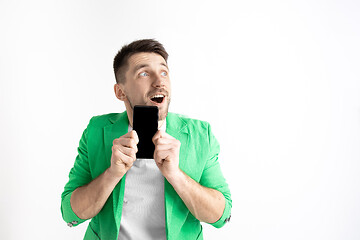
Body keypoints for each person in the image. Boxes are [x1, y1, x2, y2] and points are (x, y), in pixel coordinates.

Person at [61, 39, 232, 240]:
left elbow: (222, 215)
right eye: (144, 73)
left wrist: (175, 174)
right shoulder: (96, 131)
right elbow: (70, 214)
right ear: (120, 92)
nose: (159, 82)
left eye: (164, 72)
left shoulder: (201, 134)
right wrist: (112, 174)